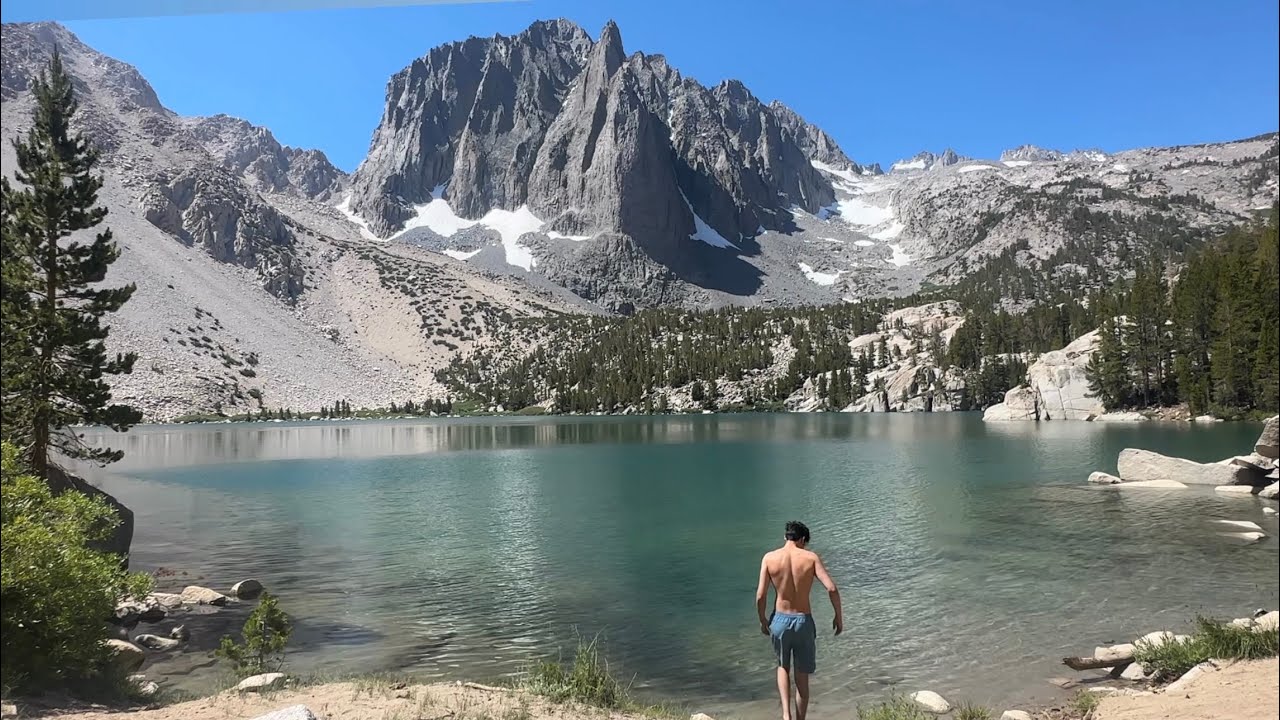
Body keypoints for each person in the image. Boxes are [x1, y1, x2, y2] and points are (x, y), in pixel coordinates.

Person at [755, 520, 842, 720]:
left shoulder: (769, 558)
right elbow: (831, 588)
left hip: (779, 621)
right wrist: (838, 616)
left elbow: (761, 596)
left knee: (782, 666)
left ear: (785, 536)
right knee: (802, 675)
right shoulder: (810, 558)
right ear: (802, 539)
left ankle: (786, 715)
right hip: (803, 621)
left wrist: (762, 620)